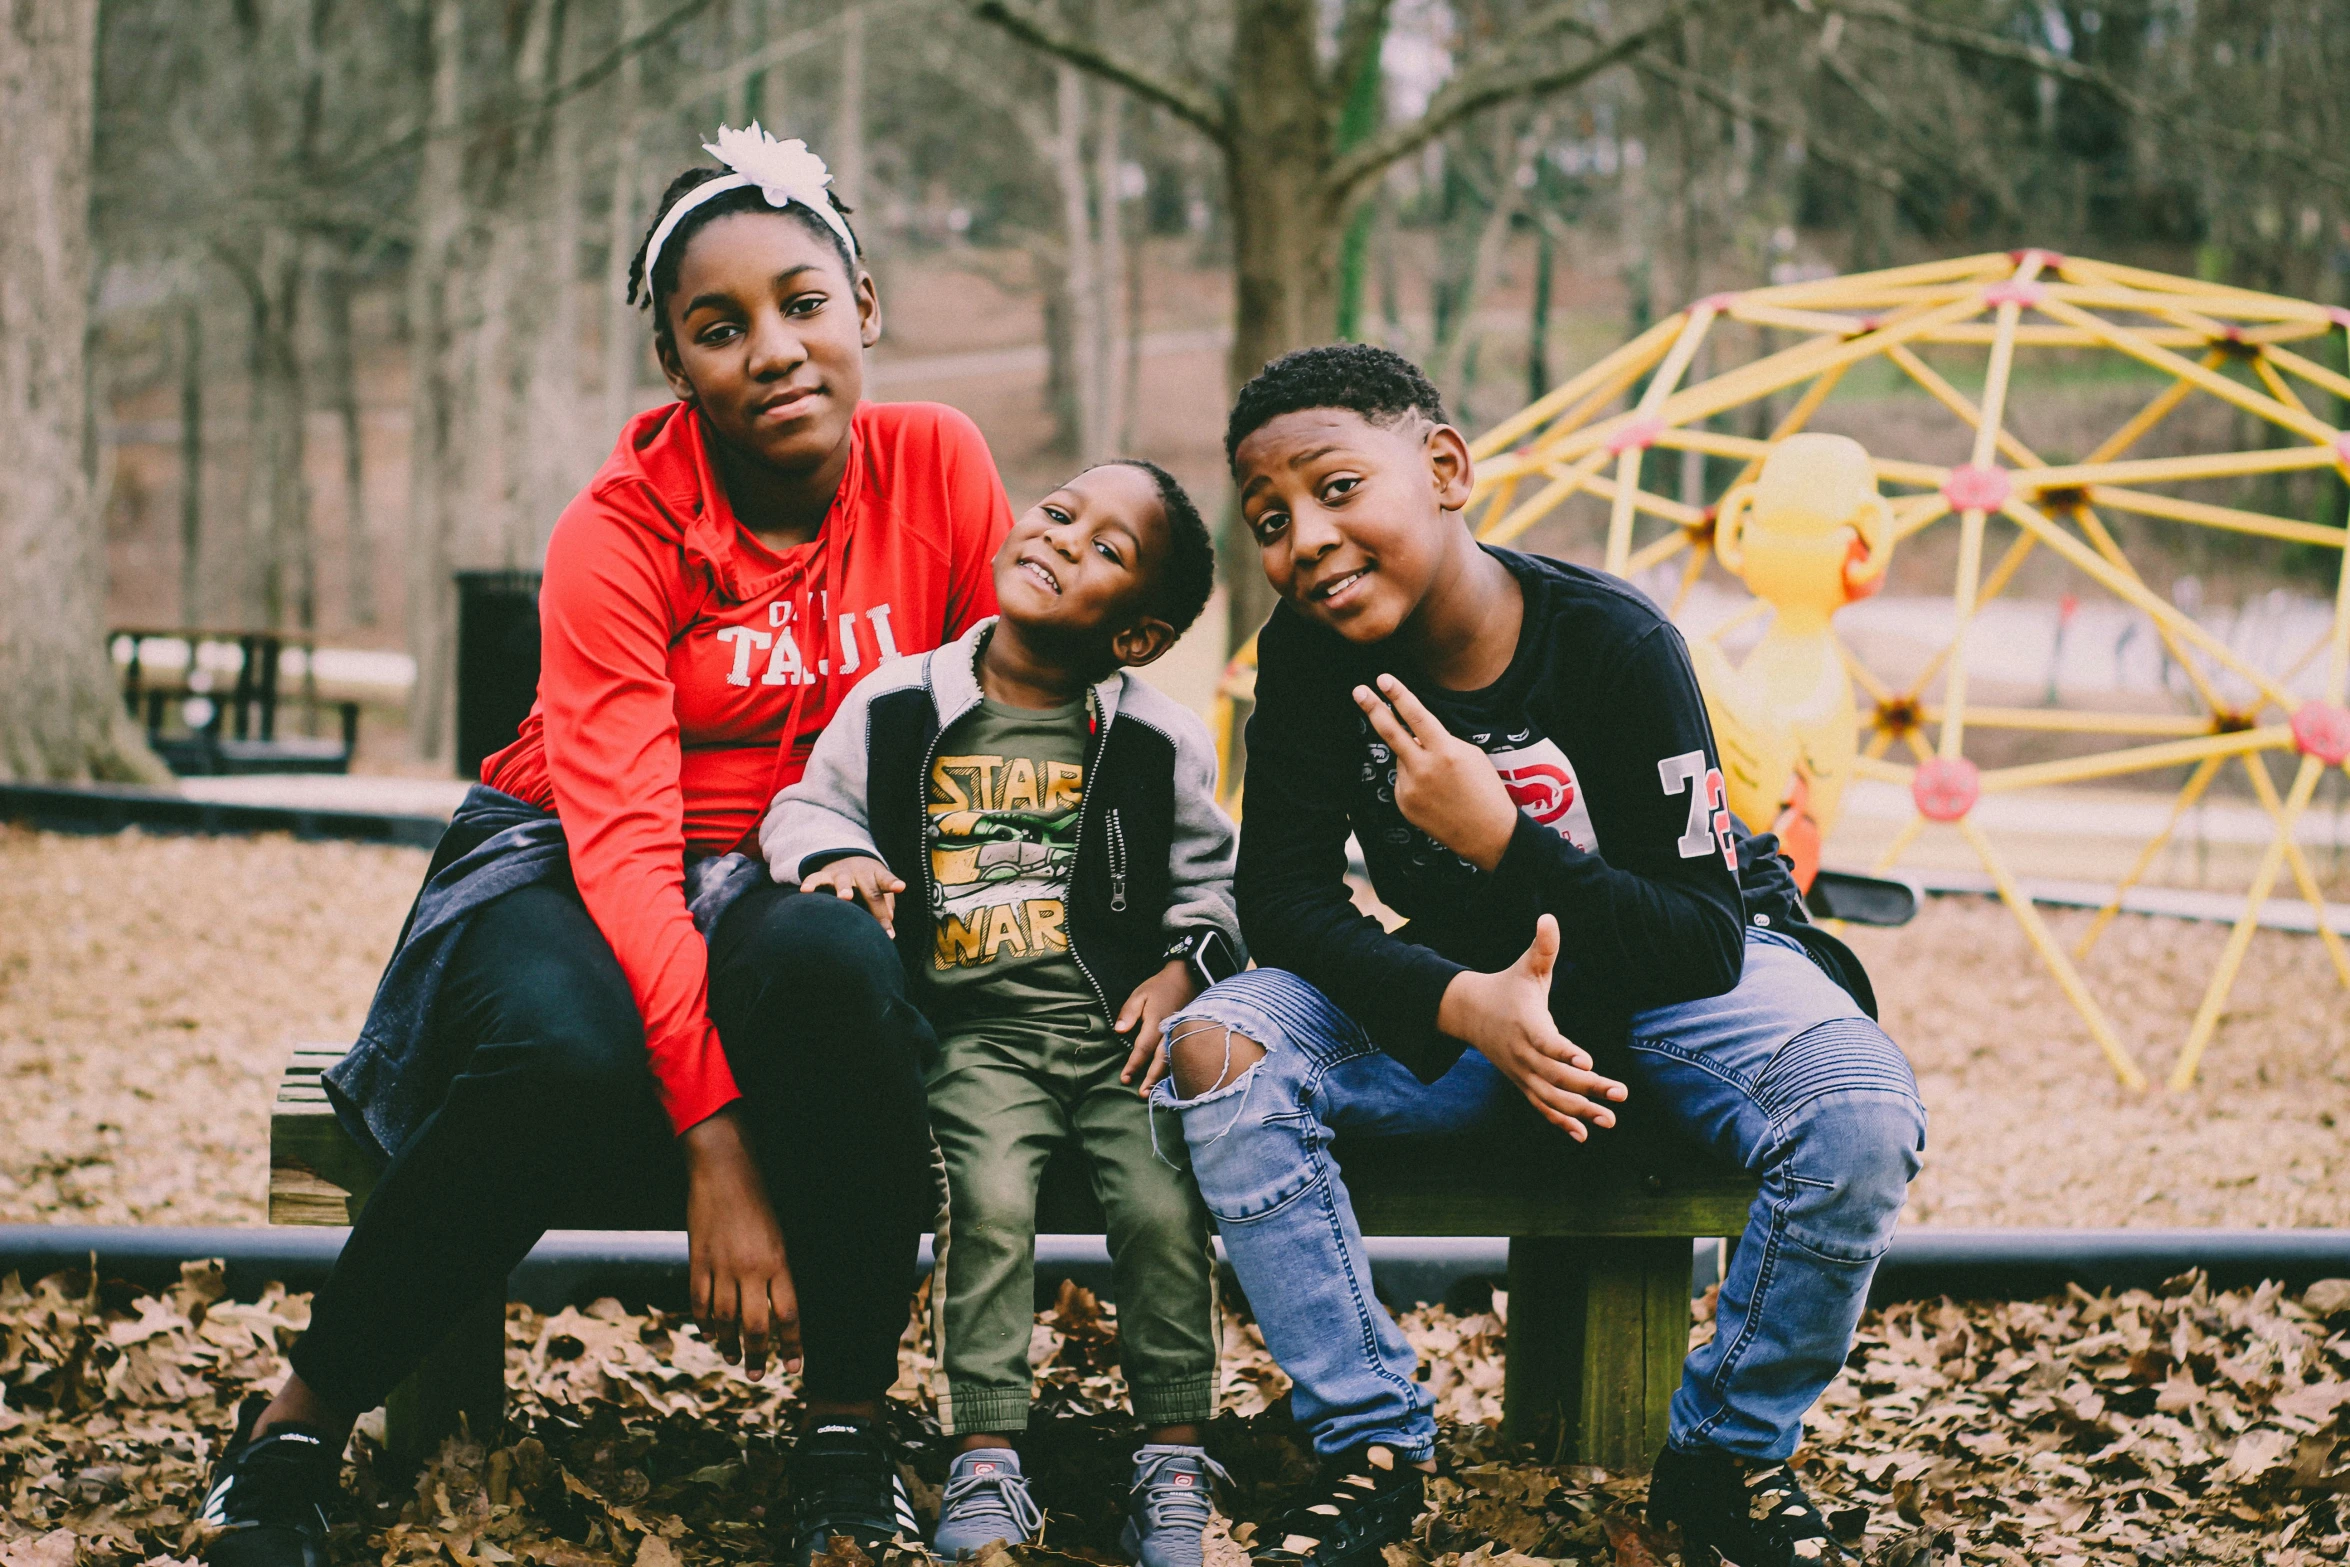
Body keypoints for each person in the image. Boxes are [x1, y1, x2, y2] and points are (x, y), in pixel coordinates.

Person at [198, 127, 1012, 1567]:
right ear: (677, 368)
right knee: (563, 1061)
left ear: (865, 306)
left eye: (802, 302)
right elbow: (628, 848)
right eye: (720, 327)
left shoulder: (938, 468)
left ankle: (842, 1427)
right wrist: (714, 1139)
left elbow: (985, 733)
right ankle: (296, 1426)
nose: (772, 348)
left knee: (833, 967)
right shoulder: (617, 533)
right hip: (567, 852)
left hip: (802, 854)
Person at [1149, 345, 1927, 1567]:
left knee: (1860, 1107)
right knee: (1221, 1045)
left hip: (1678, 976)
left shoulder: (1614, 642)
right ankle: (1371, 1443)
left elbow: (1700, 926)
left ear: (1446, 467)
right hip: (1463, 982)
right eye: (1269, 518)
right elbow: (1287, 901)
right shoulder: (1307, 658)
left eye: (1337, 486)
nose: (1303, 536)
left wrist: (1502, 835)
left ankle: (1724, 1455)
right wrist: (1461, 1002)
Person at [762, 458, 1240, 1567]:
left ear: (1135, 633)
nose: (1066, 539)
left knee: (1167, 1212)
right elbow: (803, 808)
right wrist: (838, 858)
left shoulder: (1157, 741)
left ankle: (1173, 1455)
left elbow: (1213, 887)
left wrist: (1180, 973)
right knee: (983, 1205)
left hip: (1118, 1043)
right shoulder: (895, 704)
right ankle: (986, 1455)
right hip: (975, 1042)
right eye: (1061, 511)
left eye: (1107, 549)